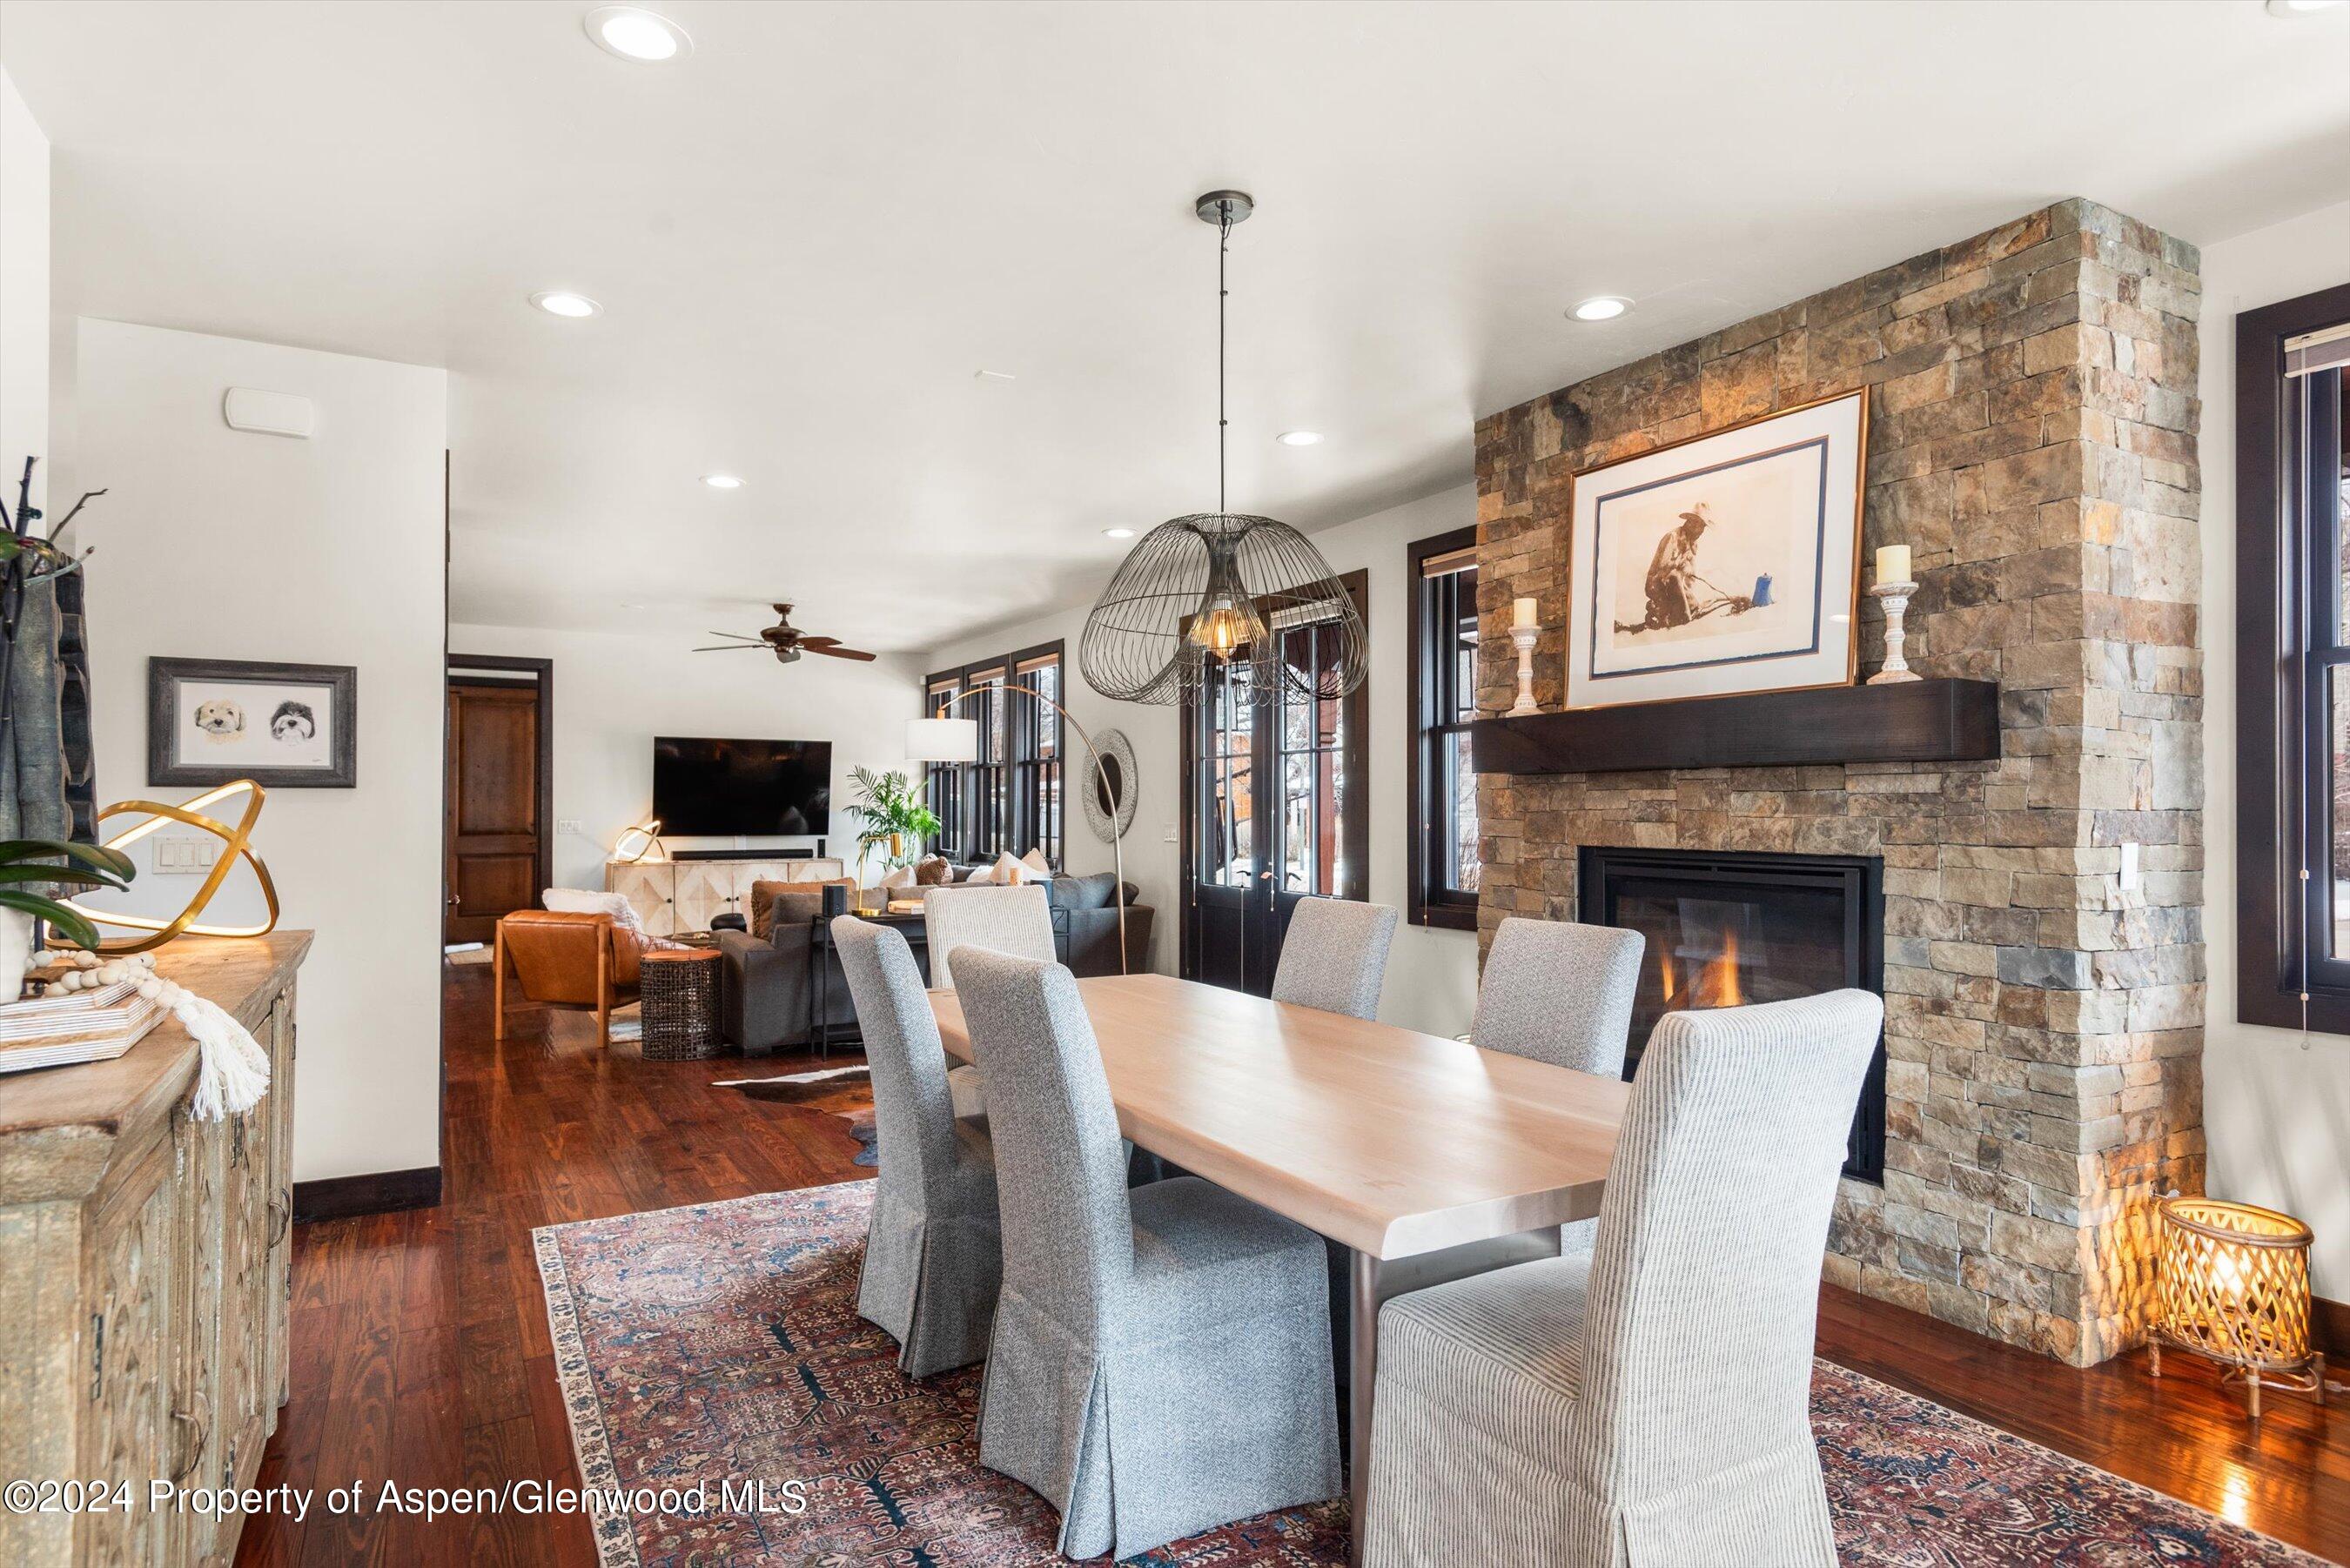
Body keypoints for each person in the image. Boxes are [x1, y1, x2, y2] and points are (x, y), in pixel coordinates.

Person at [1642, 503, 1712, 628]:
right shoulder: (1673, 537)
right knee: (1674, 576)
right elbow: (1663, 567)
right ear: (1690, 523)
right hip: (1657, 585)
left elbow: (1690, 577)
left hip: (1677, 587)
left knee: (1693, 606)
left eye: (1703, 527)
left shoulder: (1693, 544)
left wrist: (1688, 570)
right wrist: (1681, 564)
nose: (1702, 531)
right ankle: (1677, 615)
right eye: (1700, 526)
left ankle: (1677, 611)